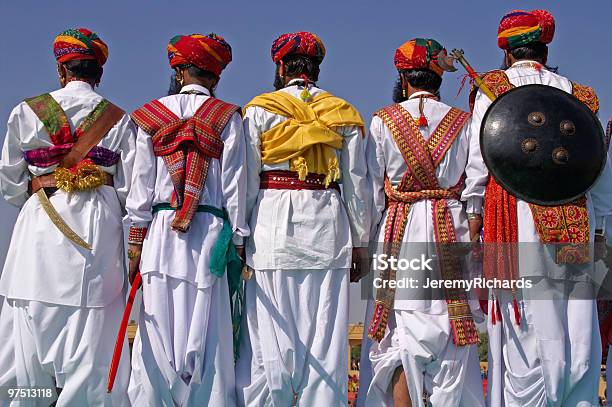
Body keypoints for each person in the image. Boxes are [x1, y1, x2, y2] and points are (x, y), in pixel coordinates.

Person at [468, 9, 612, 406]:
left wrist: (473, 213)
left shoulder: (492, 87)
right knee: (576, 320)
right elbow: (599, 169)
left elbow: (481, 160)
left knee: (525, 320)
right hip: (577, 216)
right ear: (544, 49)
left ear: (507, 52)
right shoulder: (579, 94)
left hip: (515, 214)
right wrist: (603, 230)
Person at [0, 28, 135, 406]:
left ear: (61, 71)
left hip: (40, 226)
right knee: (93, 342)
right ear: (99, 73)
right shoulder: (119, 120)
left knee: (28, 335)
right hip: (98, 233)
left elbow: (10, 182)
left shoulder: (25, 113)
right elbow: (129, 191)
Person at [235, 31, 371, 406]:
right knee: (325, 341)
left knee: (268, 338)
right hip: (329, 229)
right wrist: (361, 242)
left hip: (271, 230)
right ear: (317, 69)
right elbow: (357, 187)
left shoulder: (258, 110)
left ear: (280, 67)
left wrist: (240, 235)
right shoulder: (344, 113)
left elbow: (246, 182)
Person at [126, 33, 248, 406]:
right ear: (216, 77)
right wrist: (240, 242)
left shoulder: (148, 116)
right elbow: (235, 188)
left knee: (156, 328)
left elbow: (139, 190)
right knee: (208, 334)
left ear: (178, 71)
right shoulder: (227, 116)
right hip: (210, 237)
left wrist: (134, 242)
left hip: (160, 236)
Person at [364, 38, 485, 407]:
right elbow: (476, 181)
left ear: (403, 78)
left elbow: (372, 188)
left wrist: (366, 240)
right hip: (451, 223)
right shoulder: (463, 122)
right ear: (438, 80)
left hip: (399, 228)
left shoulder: (383, 120)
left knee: (401, 330)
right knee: (452, 328)